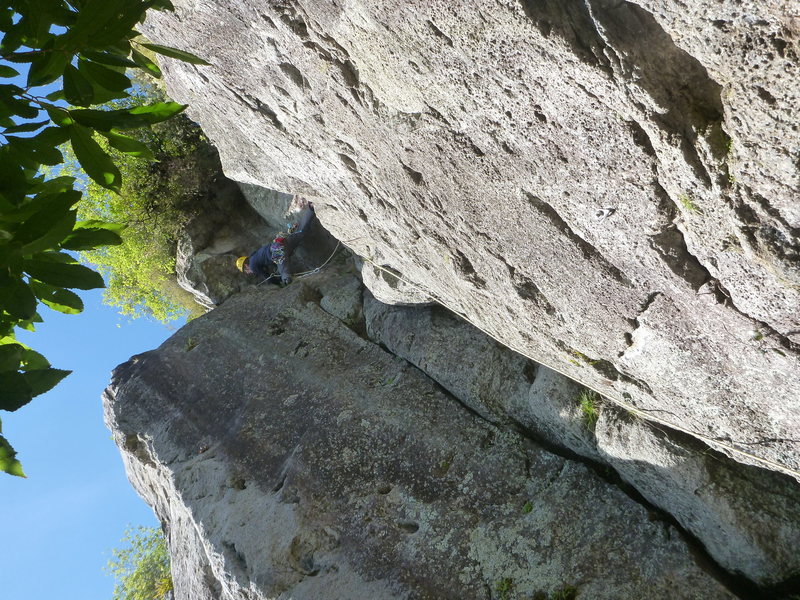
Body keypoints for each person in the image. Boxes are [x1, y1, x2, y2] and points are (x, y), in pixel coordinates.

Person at [236, 202, 315, 285]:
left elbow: (266, 277)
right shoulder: (255, 256)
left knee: (284, 273)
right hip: (280, 243)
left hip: (277, 249)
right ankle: (310, 208)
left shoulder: (252, 265)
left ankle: (287, 281)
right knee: (300, 232)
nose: (248, 273)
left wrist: (279, 283)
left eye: (246, 271)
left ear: (246, 266)